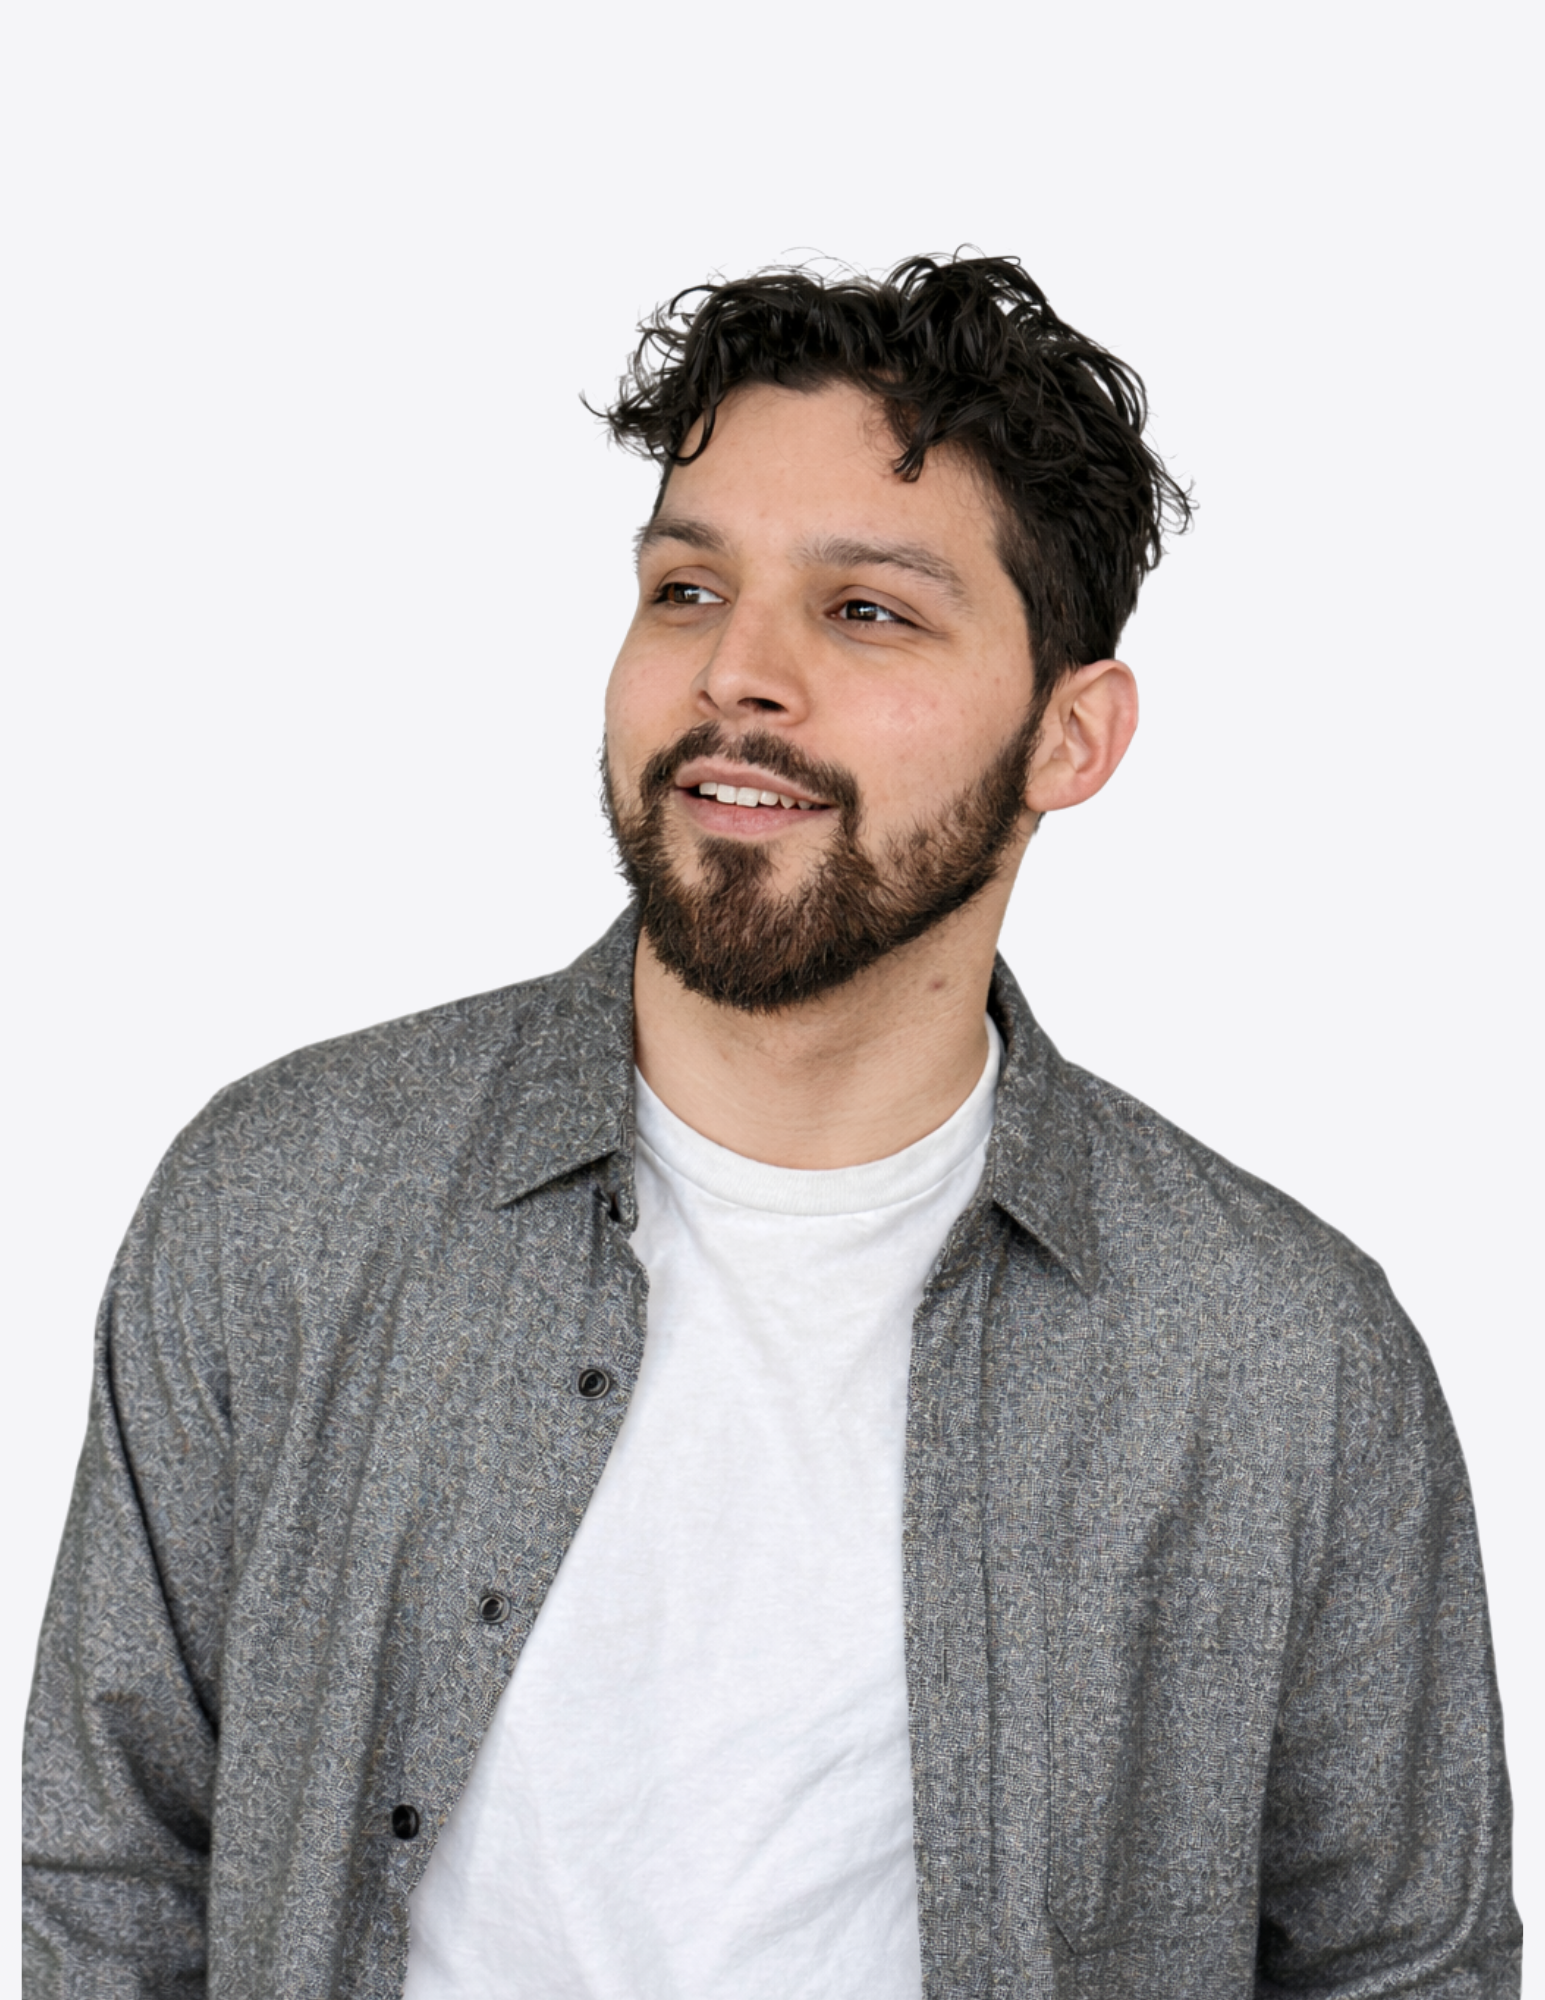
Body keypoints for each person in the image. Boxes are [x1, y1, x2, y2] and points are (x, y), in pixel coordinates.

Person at [22, 255, 1520, 2000]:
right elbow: (112, 1875)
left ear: (1072, 735)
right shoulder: (280, 1206)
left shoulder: (1284, 1360)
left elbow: (1406, 1967)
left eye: (866, 611)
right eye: (684, 586)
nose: (739, 674)